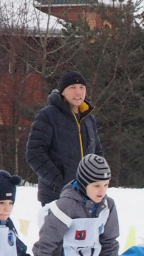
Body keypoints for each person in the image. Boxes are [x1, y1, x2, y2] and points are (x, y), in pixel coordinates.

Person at [25, 70, 102, 216]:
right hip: (55, 196)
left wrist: (98, 182)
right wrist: (59, 181)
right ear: (63, 92)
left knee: (82, 238)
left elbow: (97, 153)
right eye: (72, 87)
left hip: (86, 196)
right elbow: (34, 153)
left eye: (82, 88)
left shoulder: (89, 120)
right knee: (56, 238)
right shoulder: (47, 116)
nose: (78, 92)